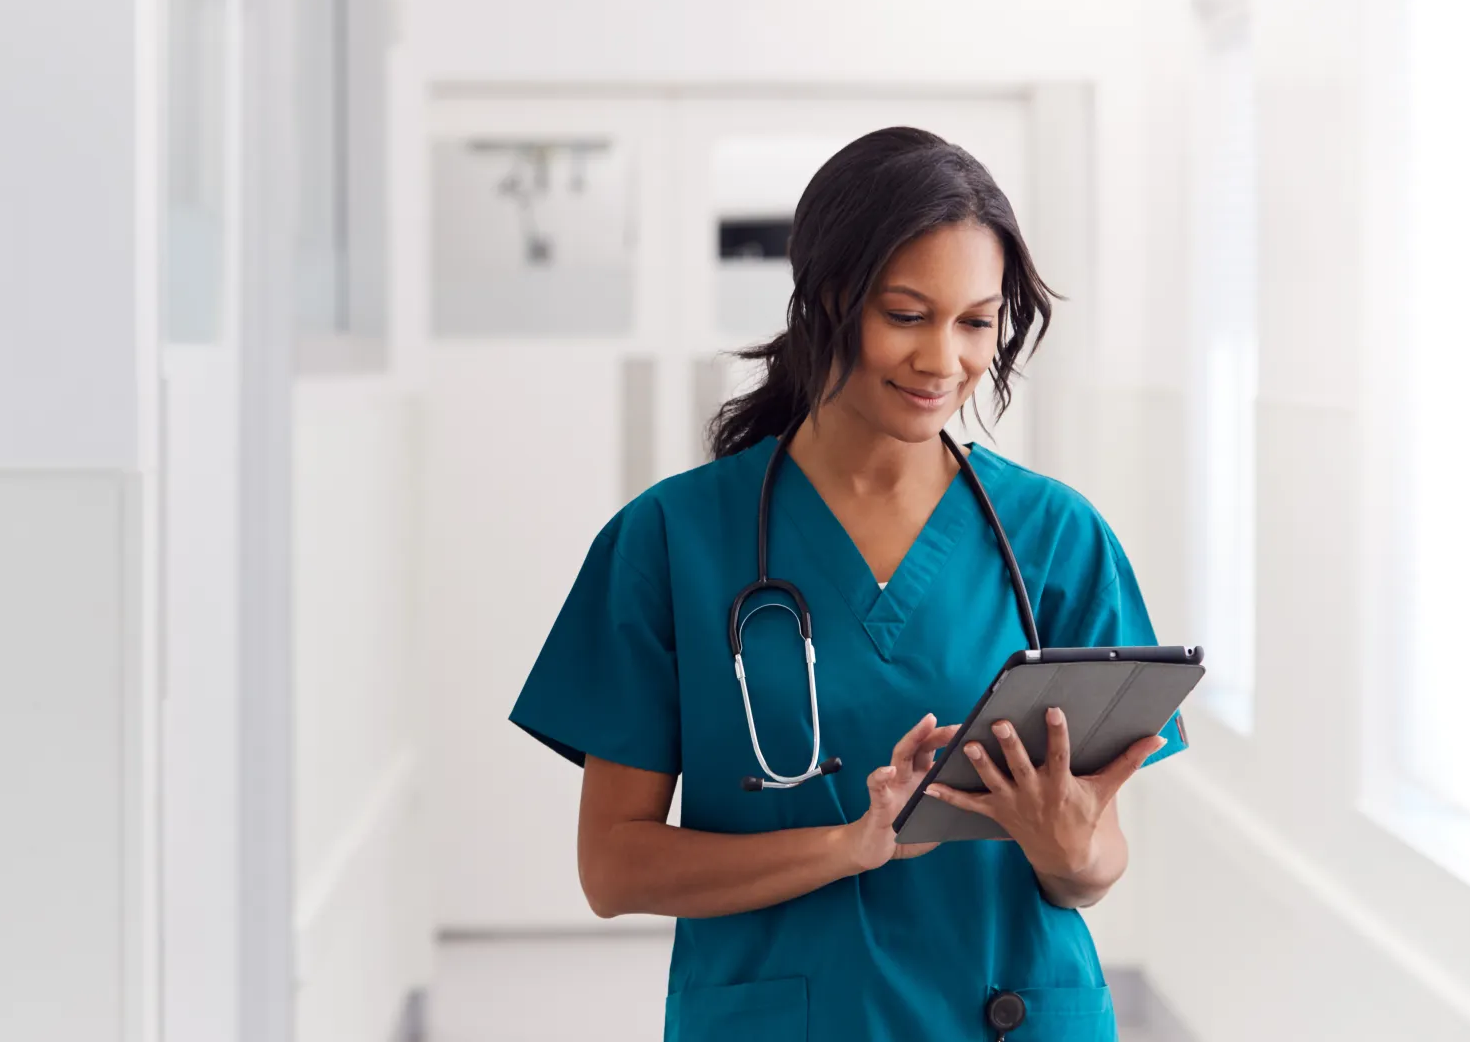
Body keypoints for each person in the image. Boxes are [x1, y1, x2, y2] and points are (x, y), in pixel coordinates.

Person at [507, 126, 1187, 1041]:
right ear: (827, 301)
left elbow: (1094, 863)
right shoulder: (669, 542)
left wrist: (1070, 848)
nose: (943, 360)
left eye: (975, 321)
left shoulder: (1057, 541)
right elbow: (614, 867)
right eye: (906, 315)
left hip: (1010, 1015)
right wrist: (847, 846)